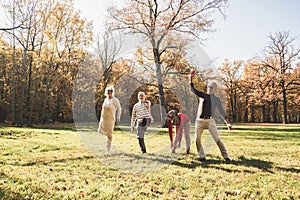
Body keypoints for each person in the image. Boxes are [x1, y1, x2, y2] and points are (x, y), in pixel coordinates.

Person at [189, 70, 233, 163]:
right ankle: (202, 156)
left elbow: (221, 112)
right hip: (200, 121)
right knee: (197, 140)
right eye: (208, 87)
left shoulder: (216, 100)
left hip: (210, 122)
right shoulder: (203, 95)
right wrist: (191, 77)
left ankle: (226, 157)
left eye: (211, 87)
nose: (209, 88)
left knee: (218, 140)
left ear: (215, 89)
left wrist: (228, 124)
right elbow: (192, 89)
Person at [97, 86, 122, 154]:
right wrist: (101, 117)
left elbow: (119, 108)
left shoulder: (115, 100)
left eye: (111, 91)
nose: (109, 92)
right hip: (104, 119)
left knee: (109, 135)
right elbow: (103, 109)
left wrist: (118, 117)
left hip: (110, 120)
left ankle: (107, 150)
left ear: (113, 92)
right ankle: (102, 146)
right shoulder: (105, 100)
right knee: (101, 132)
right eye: (108, 91)